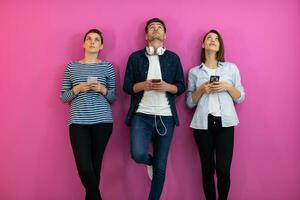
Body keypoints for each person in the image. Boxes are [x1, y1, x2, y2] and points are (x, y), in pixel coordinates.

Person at [123, 18, 185, 200]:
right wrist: (143, 85)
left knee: (161, 166)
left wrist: (167, 87)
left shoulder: (173, 58)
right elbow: (127, 87)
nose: (155, 30)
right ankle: (149, 161)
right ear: (146, 35)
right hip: (141, 115)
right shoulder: (135, 57)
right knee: (138, 154)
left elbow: (181, 86)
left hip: (166, 117)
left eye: (159, 28)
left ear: (165, 35)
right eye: (152, 27)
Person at [186, 29, 245, 200]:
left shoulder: (231, 68)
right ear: (203, 44)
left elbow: (241, 97)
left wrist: (227, 86)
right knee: (207, 169)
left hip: (225, 123)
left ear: (219, 46)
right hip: (202, 125)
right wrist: (201, 89)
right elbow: (189, 102)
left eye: (216, 39)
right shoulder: (194, 72)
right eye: (209, 38)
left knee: (223, 170)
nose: (213, 40)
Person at [61, 29, 116, 200]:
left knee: (95, 166)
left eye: (96, 39)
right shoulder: (71, 66)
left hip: (103, 121)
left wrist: (102, 89)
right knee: (85, 168)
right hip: (78, 121)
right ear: (83, 44)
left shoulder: (107, 66)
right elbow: (63, 97)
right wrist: (77, 89)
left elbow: (113, 97)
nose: (92, 42)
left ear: (101, 46)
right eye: (89, 39)